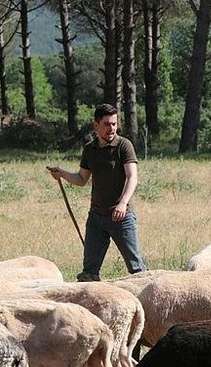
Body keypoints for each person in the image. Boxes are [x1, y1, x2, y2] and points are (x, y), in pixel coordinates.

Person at [48, 103, 147, 281]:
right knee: (89, 273)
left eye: (114, 124)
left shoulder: (124, 145)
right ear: (96, 125)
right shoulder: (90, 149)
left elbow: (132, 177)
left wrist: (123, 203)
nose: (112, 128)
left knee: (137, 269)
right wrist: (61, 174)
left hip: (121, 217)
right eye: (107, 124)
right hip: (96, 217)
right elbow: (81, 179)